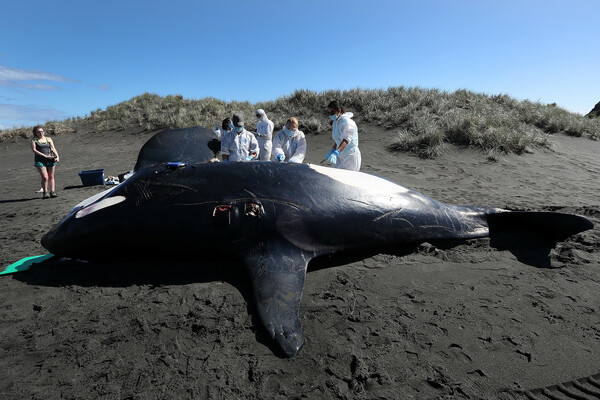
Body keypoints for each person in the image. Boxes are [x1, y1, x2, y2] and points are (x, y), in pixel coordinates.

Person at [324, 100, 361, 171]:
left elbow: (346, 140)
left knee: (349, 178)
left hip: (350, 156)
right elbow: (339, 139)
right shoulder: (336, 122)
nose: (331, 115)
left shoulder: (347, 122)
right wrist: (332, 150)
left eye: (332, 112)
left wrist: (336, 152)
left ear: (339, 110)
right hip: (340, 155)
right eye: (329, 113)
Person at [31, 126, 60, 199]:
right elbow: (34, 150)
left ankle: (52, 192)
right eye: (39, 132)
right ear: (35, 133)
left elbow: (53, 148)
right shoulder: (34, 140)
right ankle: (45, 192)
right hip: (40, 160)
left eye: (42, 131)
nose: (41, 133)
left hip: (50, 159)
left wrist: (57, 156)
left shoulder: (48, 139)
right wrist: (45, 156)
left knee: (51, 176)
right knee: (45, 177)